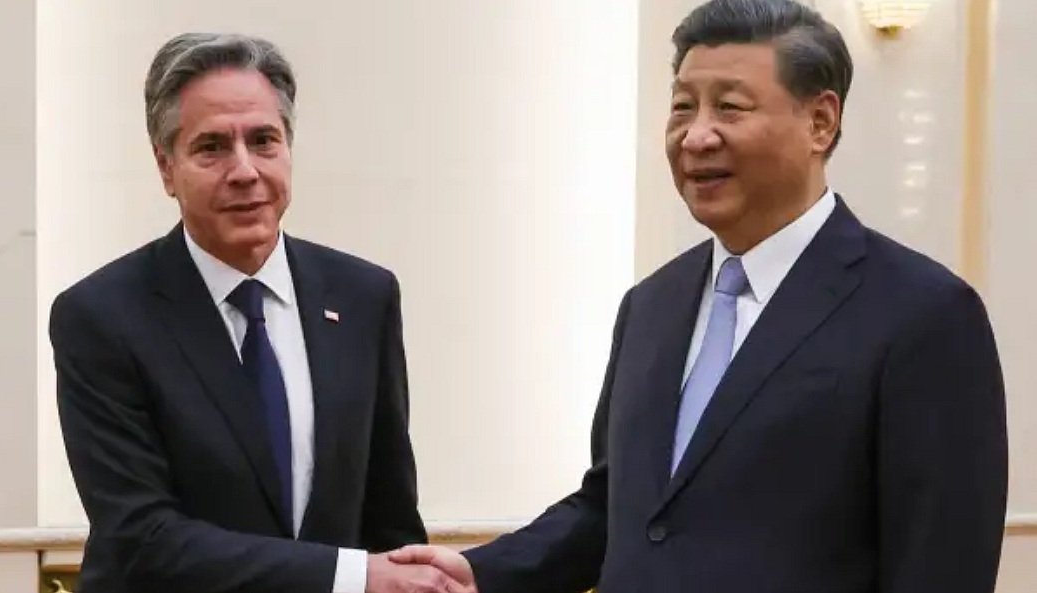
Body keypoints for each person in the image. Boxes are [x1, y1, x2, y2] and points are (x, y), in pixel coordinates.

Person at [389, 1, 1010, 592]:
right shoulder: (650, 306)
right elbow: (617, 509)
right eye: (683, 107)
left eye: (730, 108)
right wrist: (481, 574)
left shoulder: (923, 315)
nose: (695, 137)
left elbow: (939, 565)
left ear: (820, 122)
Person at [49, 33, 463, 593]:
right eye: (212, 147)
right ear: (166, 167)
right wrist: (352, 576)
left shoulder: (363, 296)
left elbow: (389, 516)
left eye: (263, 140)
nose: (244, 170)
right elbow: (140, 537)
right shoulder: (101, 317)